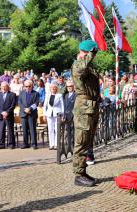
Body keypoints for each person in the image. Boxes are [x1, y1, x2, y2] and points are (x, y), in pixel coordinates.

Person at [71, 40, 100, 187]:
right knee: (81, 141)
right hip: (83, 107)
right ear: (86, 52)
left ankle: (83, 171)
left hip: (92, 106)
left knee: (88, 141)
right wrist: (89, 55)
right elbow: (81, 69)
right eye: (92, 53)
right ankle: (78, 174)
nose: (94, 56)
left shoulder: (89, 65)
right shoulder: (78, 63)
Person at [18, 80, 39, 149]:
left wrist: (29, 109)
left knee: (32, 129)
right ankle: (25, 144)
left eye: (29, 86)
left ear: (32, 86)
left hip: (32, 113)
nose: (28, 88)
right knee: (24, 129)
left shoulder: (36, 93)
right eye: (26, 86)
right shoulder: (21, 93)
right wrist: (25, 109)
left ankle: (34, 144)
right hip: (23, 113)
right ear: (24, 86)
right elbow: (19, 103)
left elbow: (36, 103)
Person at [0, 81, 16, 149]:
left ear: (8, 87)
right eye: (2, 86)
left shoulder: (12, 94)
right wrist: (2, 112)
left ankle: (11, 144)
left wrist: (7, 112)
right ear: (1, 87)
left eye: (5, 86)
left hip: (9, 115)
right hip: (1, 115)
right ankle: (1, 144)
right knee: (1, 130)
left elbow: (13, 105)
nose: (4, 88)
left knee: (10, 130)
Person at [43, 83, 64, 150]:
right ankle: (51, 144)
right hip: (49, 114)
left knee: (57, 129)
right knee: (50, 130)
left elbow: (62, 105)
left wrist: (62, 114)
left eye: (54, 88)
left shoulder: (59, 95)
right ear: (50, 89)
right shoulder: (47, 95)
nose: (53, 89)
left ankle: (56, 144)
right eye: (52, 88)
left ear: (56, 89)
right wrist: (44, 114)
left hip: (57, 114)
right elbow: (45, 105)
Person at [64, 80, 76, 153]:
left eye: (70, 86)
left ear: (73, 87)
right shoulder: (66, 95)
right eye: (68, 86)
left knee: (74, 131)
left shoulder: (76, 95)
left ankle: (74, 146)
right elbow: (65, 106)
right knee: (68, 131)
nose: (69, 88)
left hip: (73, 116)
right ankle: (69, 146)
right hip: (67, 116)